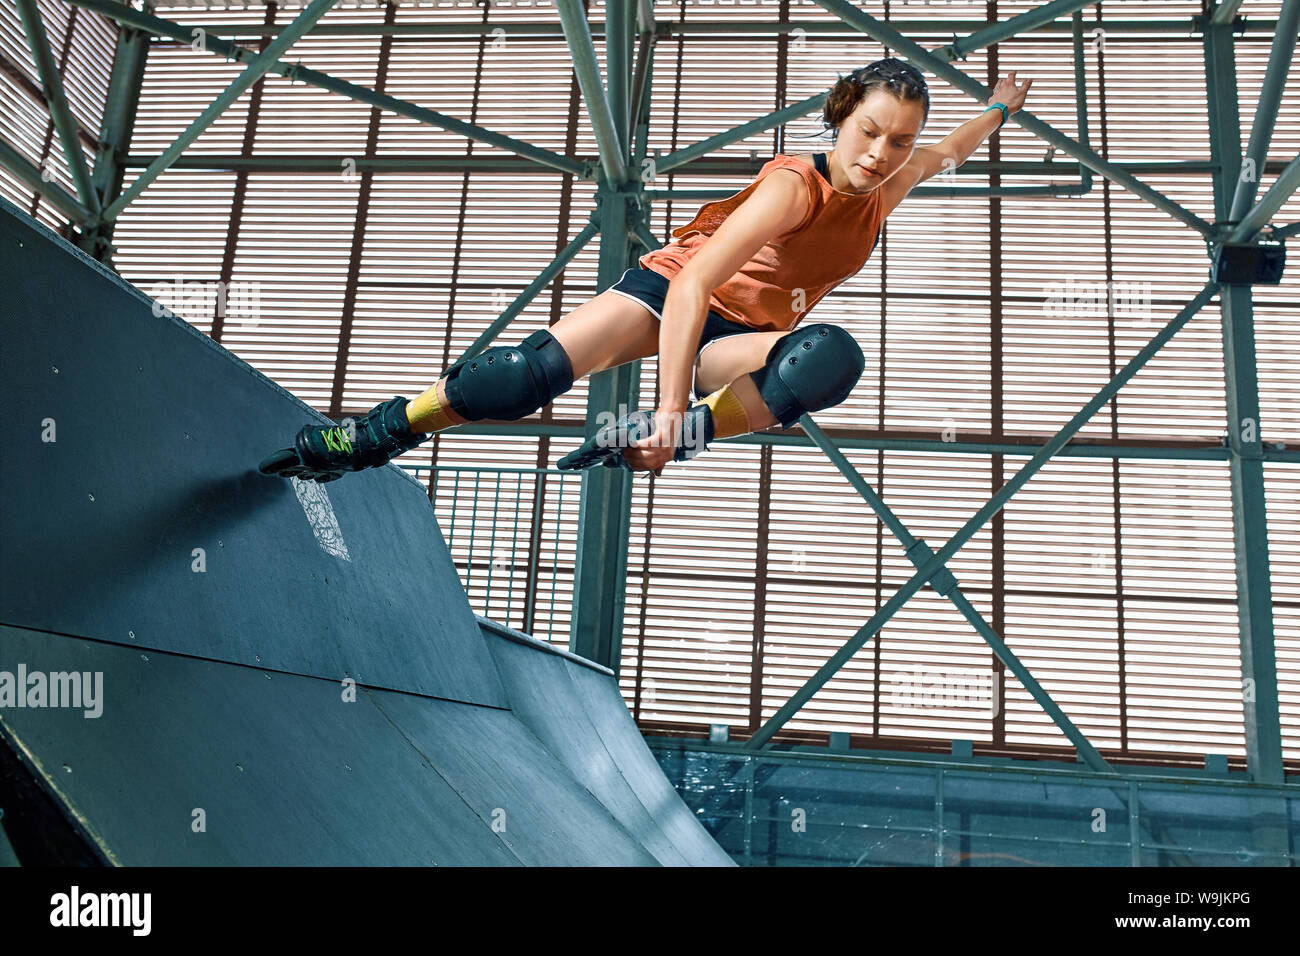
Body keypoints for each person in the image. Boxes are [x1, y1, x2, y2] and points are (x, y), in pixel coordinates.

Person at [259, 58, 1031, 483]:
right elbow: (694, 287)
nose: (880, 154)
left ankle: (680, 433)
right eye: (869, 132)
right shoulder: (798, 185)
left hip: (742, 334)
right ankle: (377, 433)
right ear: (838, 117)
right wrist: (665, 406)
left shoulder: (889, 185)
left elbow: (951, 150)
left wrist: (999, 106)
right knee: (522, 380)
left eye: (898, 142)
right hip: (673, 290)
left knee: (831, 356)